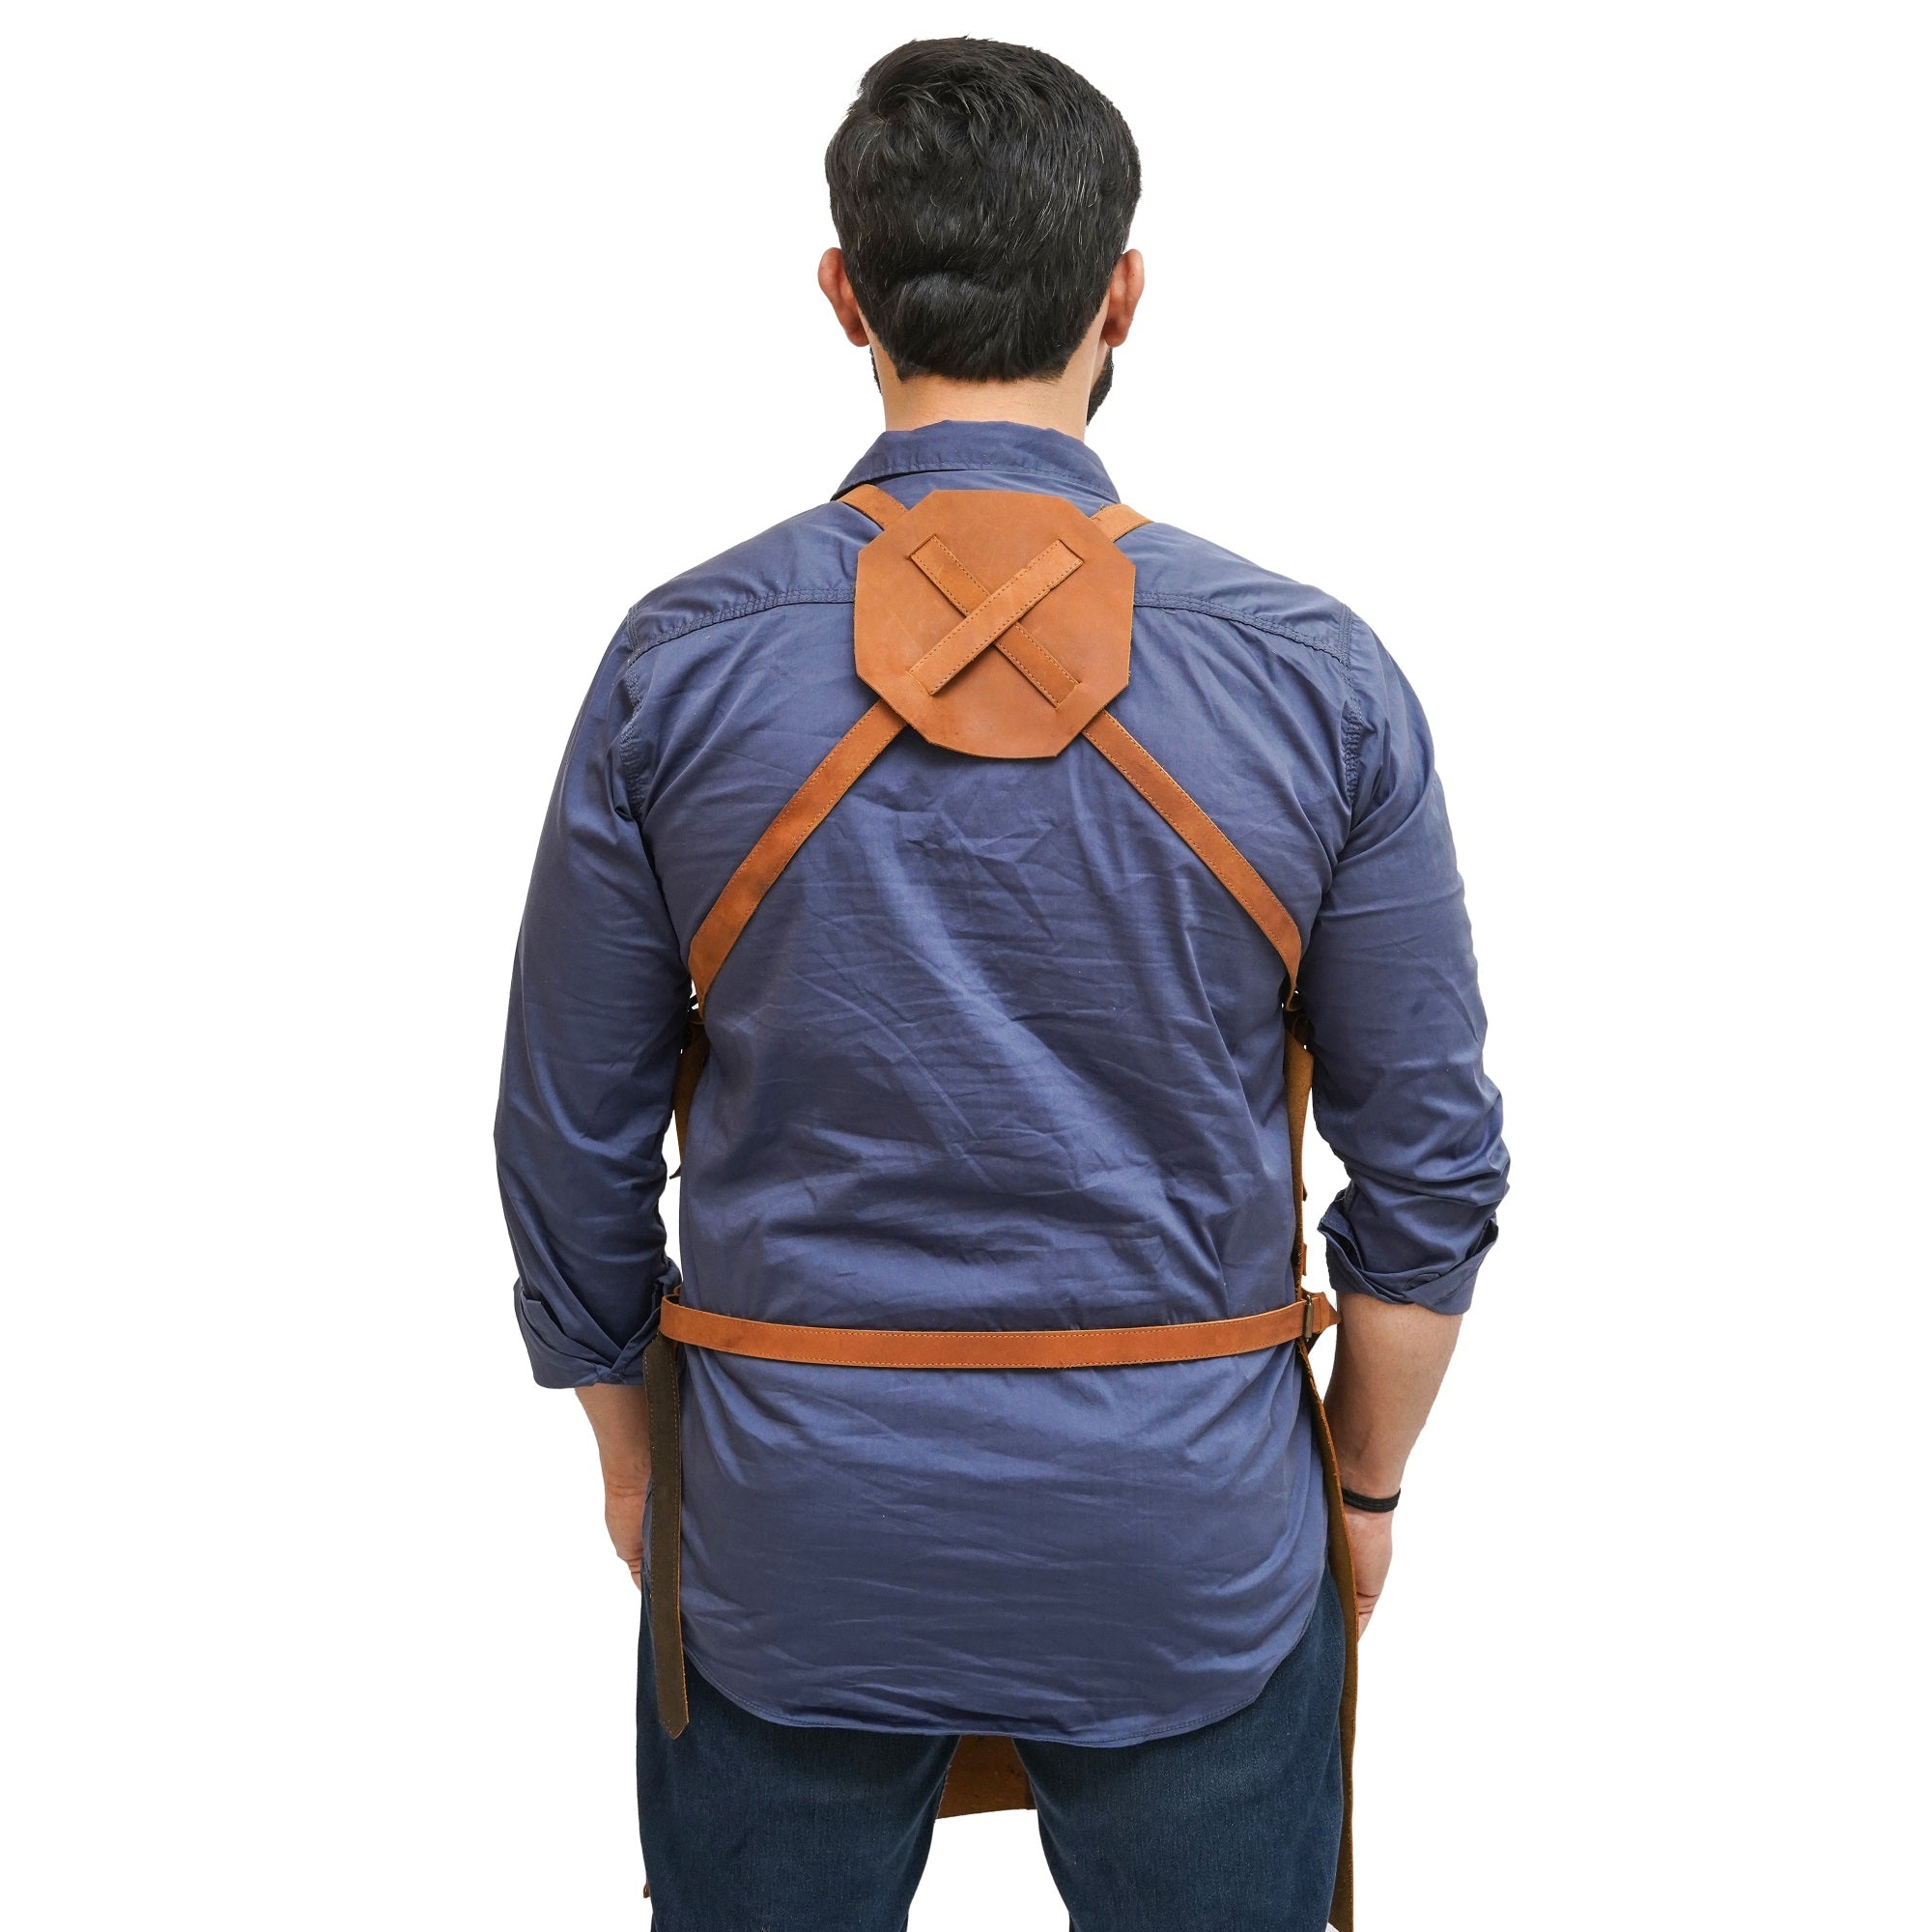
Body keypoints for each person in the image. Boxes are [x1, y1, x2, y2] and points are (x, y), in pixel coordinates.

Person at [496, 36, 1507, 1932]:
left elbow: (568, 1138)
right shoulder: (1316, 679)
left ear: (843, 293)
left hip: (793, 1533)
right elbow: (1430, 1161)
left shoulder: (675, 666)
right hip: (1189, 1543)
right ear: (1122, 295)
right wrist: (1357, 1490)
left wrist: (641, 1464)